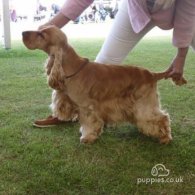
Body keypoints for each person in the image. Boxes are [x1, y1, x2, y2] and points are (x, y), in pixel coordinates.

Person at [34, 0, 195, 127]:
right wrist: (49, 27)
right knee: (103, 65)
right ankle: (66, 112)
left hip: (181, 9)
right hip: (136, 8)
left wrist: (181, 56)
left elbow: (187, 12)